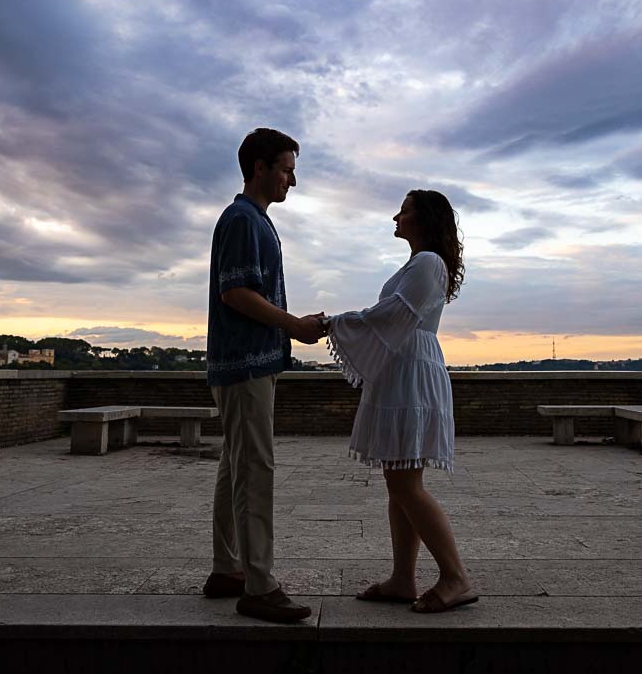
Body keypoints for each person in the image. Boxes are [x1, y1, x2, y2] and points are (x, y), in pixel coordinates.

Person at [322, 190, 477, 613]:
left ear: (422, 218)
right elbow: (391, 315)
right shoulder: (419, 263)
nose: (396, 215)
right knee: (398, 480)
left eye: (404, 210)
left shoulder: (427, 263)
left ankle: (456, 576)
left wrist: (331, 323)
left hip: (412, 374)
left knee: (406, 483)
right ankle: (403, 578)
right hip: (403, 371)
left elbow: (391, 315)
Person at [203, 128, 324, 623]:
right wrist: (294, 325)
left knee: (236, 466)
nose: (291, 180)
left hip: (246, 364)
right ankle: (259, 585)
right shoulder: (242, 219)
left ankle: (228, 569)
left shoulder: (253, 220)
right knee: (255, 469)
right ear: (259, 168)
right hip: (244, 365)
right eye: (286, 169)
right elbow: (236, 294)